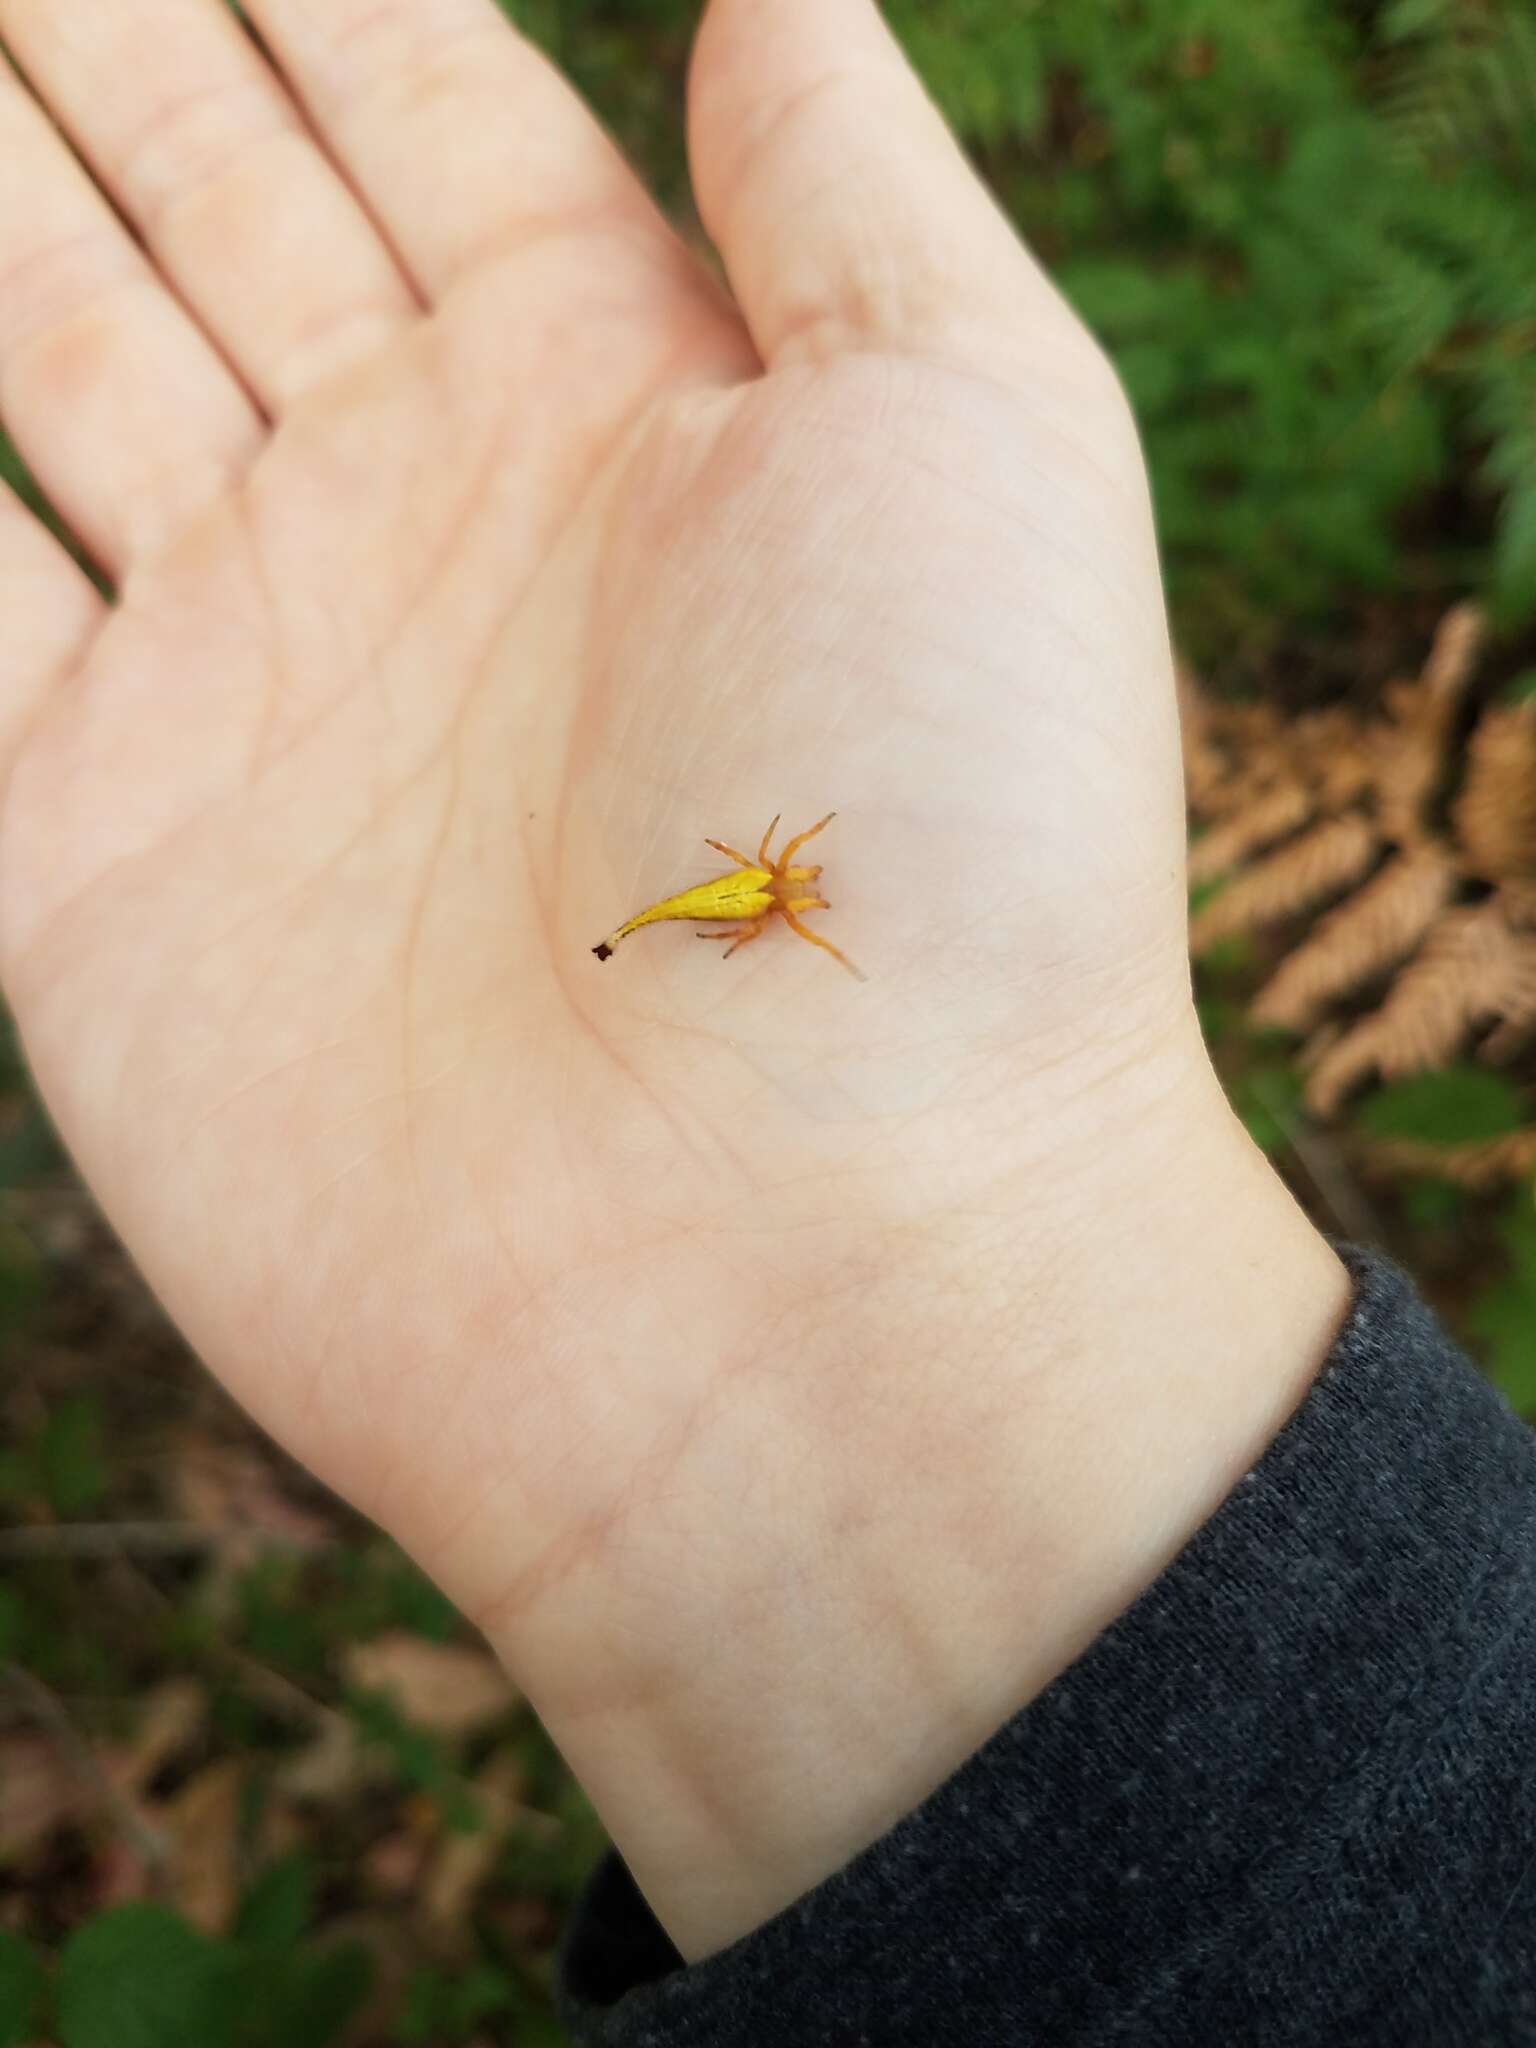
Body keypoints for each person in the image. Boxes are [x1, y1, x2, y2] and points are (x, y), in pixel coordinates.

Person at [0, 0, 1531, 2038]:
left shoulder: (775, 895)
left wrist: (840, 1308)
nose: (800, 895)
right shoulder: (751, 894)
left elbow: (778, 895)